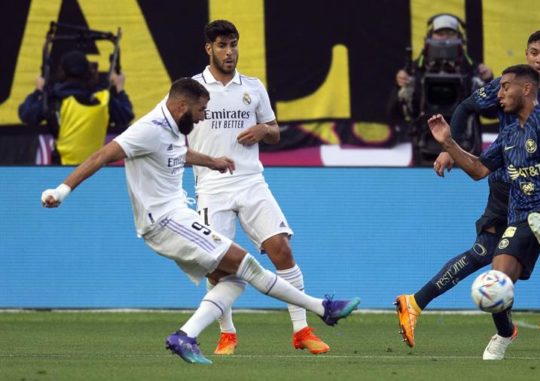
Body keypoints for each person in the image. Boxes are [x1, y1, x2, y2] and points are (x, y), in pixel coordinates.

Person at [40, 77, 360, 365]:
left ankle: (185, 335)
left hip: (177, 216)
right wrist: (61, 190)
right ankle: (321, 308)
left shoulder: (174, 126)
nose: (203, 116)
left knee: (234, 280)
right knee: (246, 263)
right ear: (182, 105)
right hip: (165, 221)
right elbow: (102, 155)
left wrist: (214, 162)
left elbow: (179, 154)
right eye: (200, 110)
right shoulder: (148, 129)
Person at [395, 30, 540, 350]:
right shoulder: (509, 99)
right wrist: (447, 144)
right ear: (526, 55)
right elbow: (467, 110)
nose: (539, 59)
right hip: (509, 181)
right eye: (533, 53)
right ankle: (434, 307)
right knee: (491, 255)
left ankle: (527, 321)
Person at [185, 19, 330, 356]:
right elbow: (175, 140)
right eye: (222, 45)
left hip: (252, 181)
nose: (229, 52)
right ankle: (227, 334)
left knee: (281, 249)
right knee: (218, 264)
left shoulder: (253, 87)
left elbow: (276, 131)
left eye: (233, 44)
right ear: (208, 49)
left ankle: (301, 330)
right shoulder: (191, 89)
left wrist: (264, 131)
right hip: (211, 185)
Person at [387, 13, 493, 165]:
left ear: (460, 38)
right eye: (440, 33)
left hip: (467, 152)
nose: (446, 38)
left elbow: (490, 113)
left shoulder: (472, 70)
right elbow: (394, 113)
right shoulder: (415, 71)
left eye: (450, 33)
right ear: (430, 36)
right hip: (424, 153)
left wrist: (488, 82)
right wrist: (400, 86)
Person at [19, 50, 134, 165]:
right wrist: (120, 88)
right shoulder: (103, 98)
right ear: (88, 72)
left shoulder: (54, 98)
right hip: (94, 169)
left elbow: (26, 114)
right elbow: (126, 116)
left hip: (61, 170)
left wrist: (38, 91)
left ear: (62, 72)